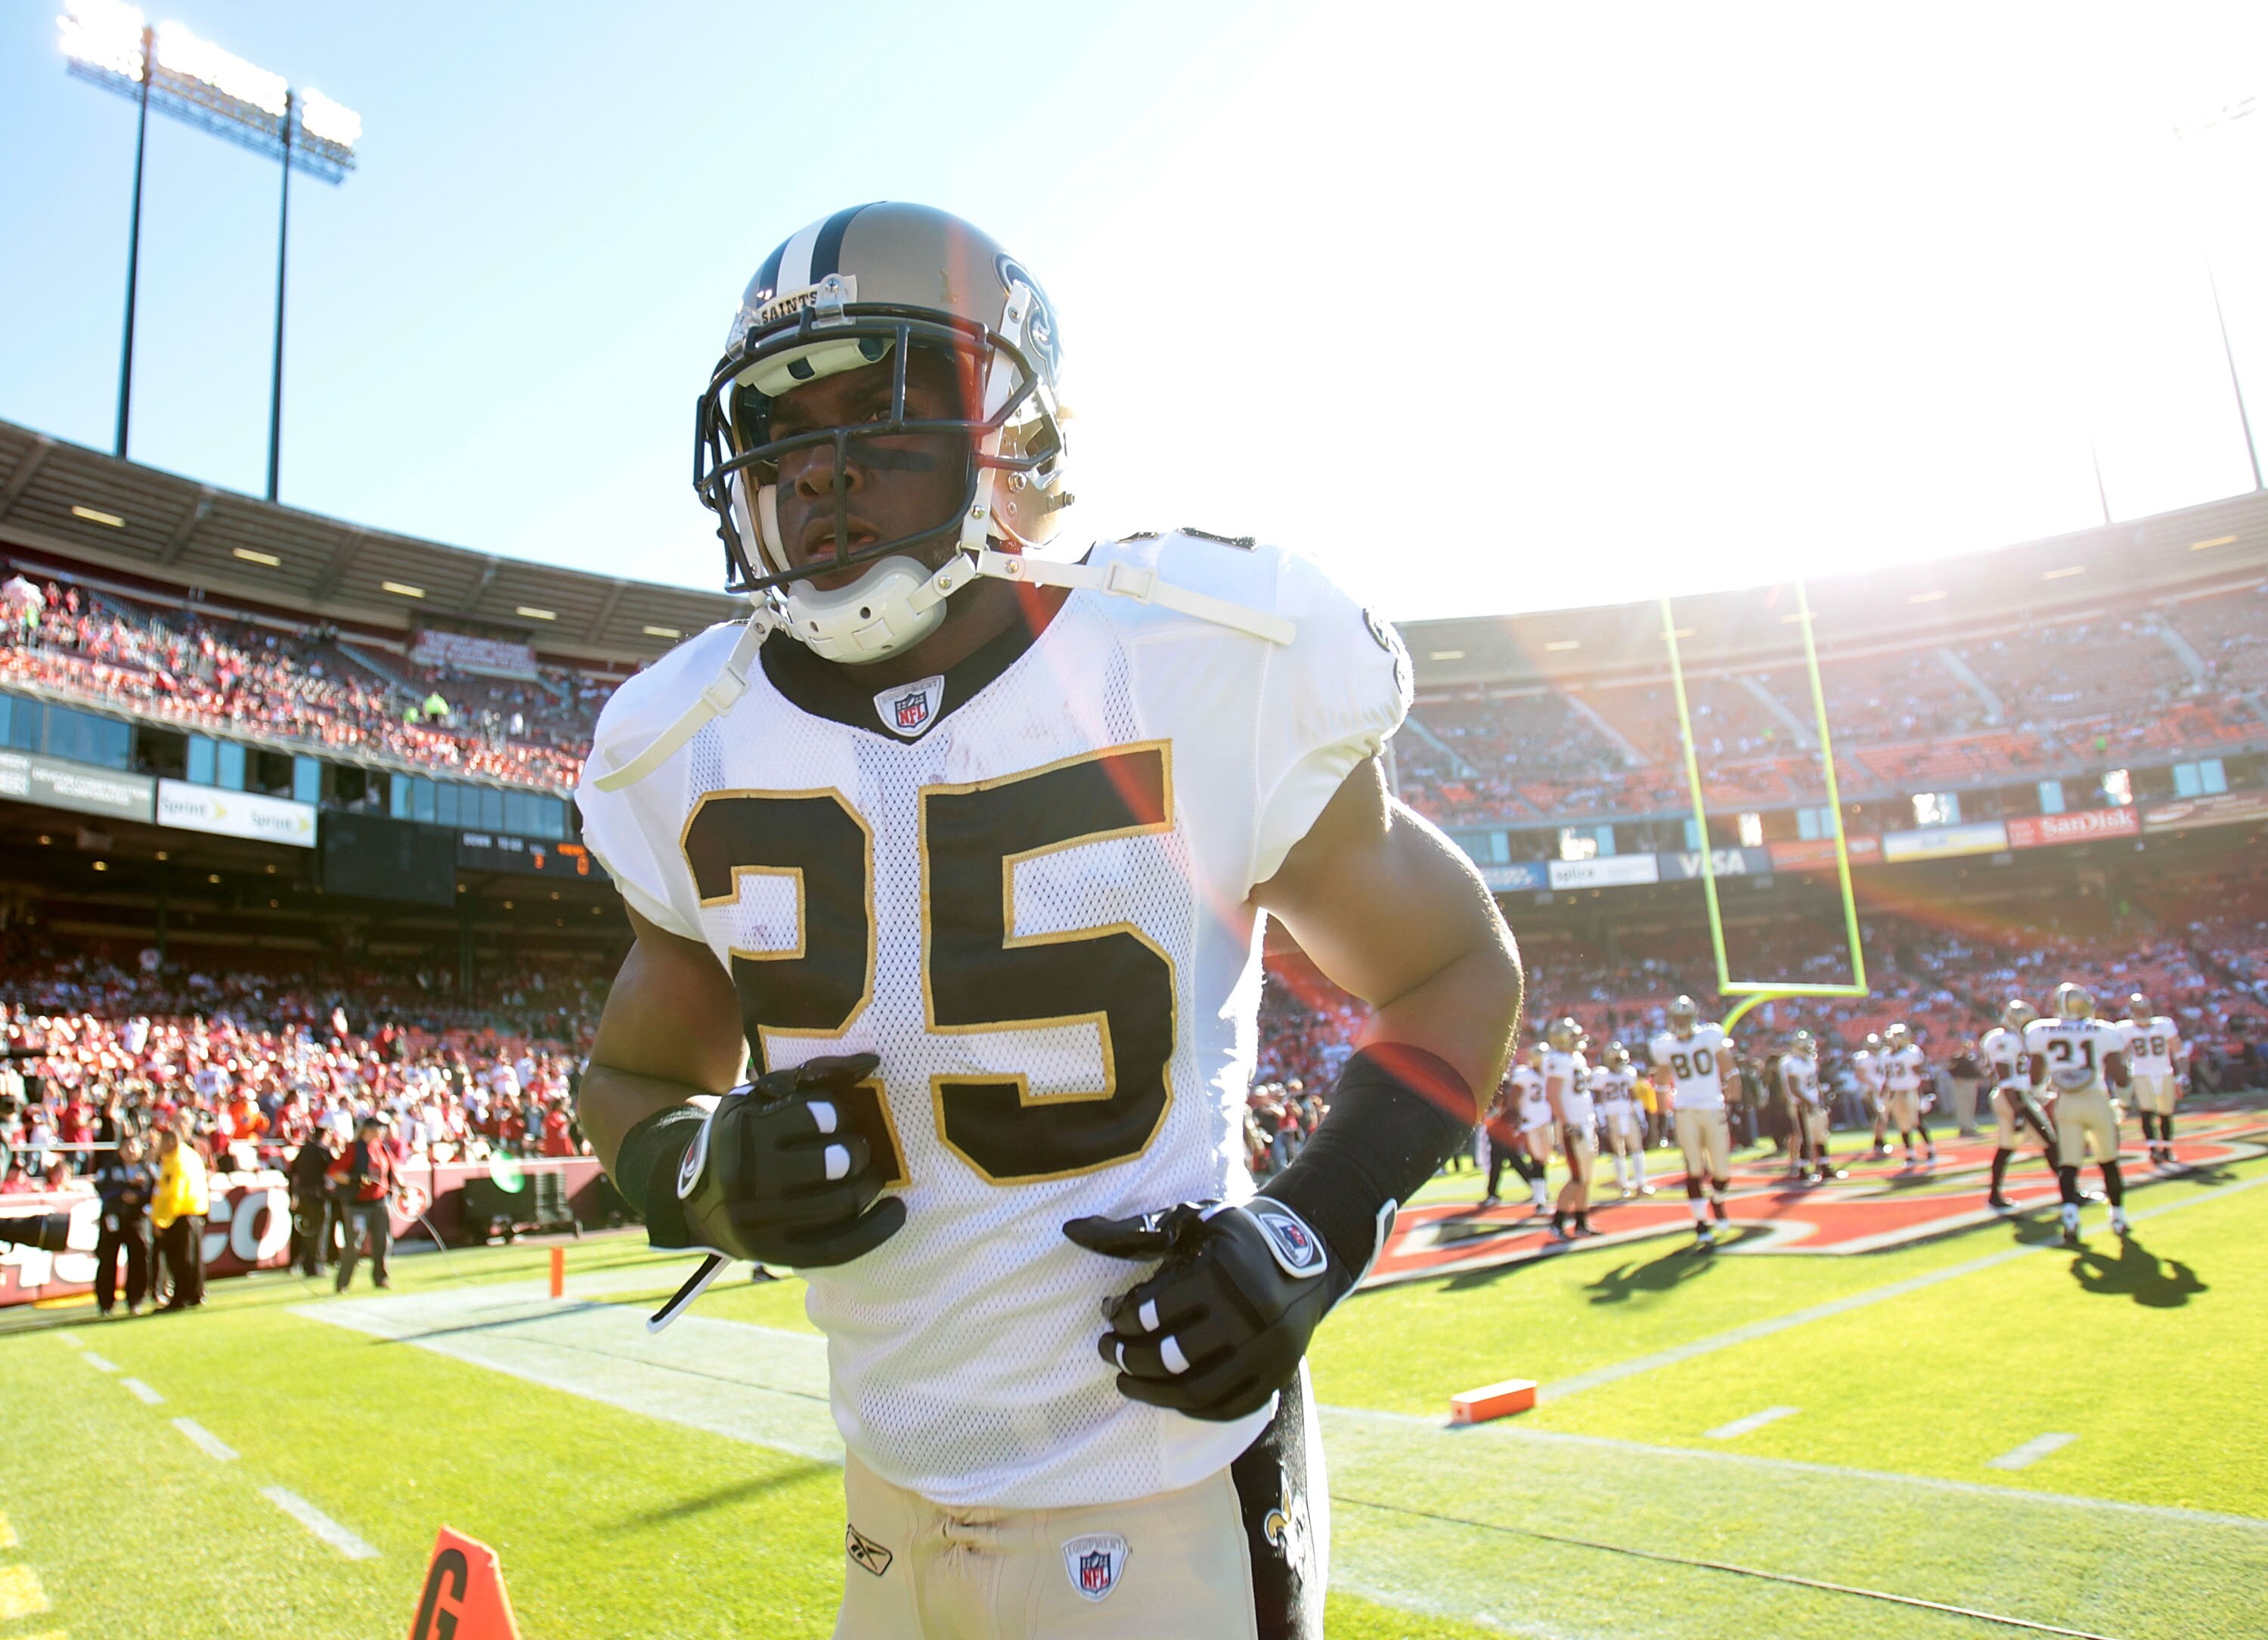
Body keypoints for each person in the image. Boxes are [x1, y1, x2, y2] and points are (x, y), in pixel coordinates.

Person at [572, 202, 1521, 1639]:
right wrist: (695, 1172)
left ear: (1016, 436)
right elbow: (631, 1080)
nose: (822, 468)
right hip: (889, 1489)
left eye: (883, 413)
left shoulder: (1202, 652)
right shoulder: (681, 735)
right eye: (784, 429)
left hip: (1168, 1478)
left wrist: (1313, 1229)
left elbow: (1454, 965)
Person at [2025, 984, 2131, 1246]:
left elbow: (2035, 1075)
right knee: (2108, 1161)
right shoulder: (2103, 1030)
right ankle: (2117, 1216)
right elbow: (2120, 1074)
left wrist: (2041, 1093)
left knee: (2069, 1165)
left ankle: (2071, 1218)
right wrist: (2124, 1101)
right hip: (2095, 1098)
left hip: (2066, 1102)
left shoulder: (2041, 1030)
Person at [1650, 995, 1735, 1249]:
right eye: (1678, 1018)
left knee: (1722, 1171)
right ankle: (1700, 1224)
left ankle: (1718, 1201)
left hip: (1712, 1107)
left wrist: (1733, 1092)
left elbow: (1728, 1067)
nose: (1682, 1022)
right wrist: (1663, 1111)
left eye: (1685, 1018)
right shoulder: (1664, 1045)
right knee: (1694, 1168)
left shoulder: (1710, 1036)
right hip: (1685, 1109)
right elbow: (1662, 1080)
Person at [1981, 999, 2056, 1212]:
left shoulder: (2010, 1038)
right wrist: (2018, 1110)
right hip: (2014, 1097)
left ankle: (1995, 1195)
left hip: (2015, 1096)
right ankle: (2069, 1191)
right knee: (2050, 1142)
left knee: (2007, 1148)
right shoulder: (2003, 1039)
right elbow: (2005, 1077)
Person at [2117, 993, 2186, 1170]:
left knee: (2166, 1112)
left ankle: (2167, 1149)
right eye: (2138, 1010)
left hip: (2164, 1072)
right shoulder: (2125, 1029)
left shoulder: (2164, 1024)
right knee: (2147, 1112)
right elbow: (2120, 1055)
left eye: (2144, 1009)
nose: (2142, 1013)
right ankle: (2153, 1148)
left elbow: (2178, 1050)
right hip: (2141, 1073)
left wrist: (2183, 1075)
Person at [330, 1115, 400, 1291]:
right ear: (369, 1130)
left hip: (379, 1201)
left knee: (383, 1242)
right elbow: (335, 1172)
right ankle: (343, 1283)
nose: (383, 1131)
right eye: (380, 1128)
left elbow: (393, 1170)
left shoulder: (382, 1147)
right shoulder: (354, 1149)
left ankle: (381, 1278)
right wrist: (354, 1180)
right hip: (358, 1205)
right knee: (354, 1245)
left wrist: (402, 1186)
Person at [1541, 1018, 1595, 1242]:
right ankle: (1557, 1223)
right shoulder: (1557, 1060)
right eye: (1572, 1036)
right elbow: (1553, 1094)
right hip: (1572, 1124)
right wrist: (1567, 1123)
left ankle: (1582, 1223)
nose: (1576, 1040)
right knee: (1577, 1176)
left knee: (1586, 1176)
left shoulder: (1575, 1058)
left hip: (1585, 1122)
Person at [92, 1132, 155, 1316]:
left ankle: (135, 1300)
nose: (131, 1150)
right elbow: (102, 1188)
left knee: (139, 1257)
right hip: (113, 1218)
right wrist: (124, 1191)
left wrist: (138, 1196)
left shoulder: (148, 1169)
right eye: (126, 1147)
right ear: (119, 1150)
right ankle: (106, 1304)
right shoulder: (110, 1168)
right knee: (108, 1259)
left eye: (134, 1146)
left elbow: (155, 1191)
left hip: (137, 1219)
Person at [150, 1124, 208, 1311]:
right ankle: (195, 1293)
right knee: (193, 1258)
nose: (159, 1147)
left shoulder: (178, 1161)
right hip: (192, 1213)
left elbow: (175, 1192)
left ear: (171, 1141)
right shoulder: (188, 1155)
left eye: (162, 1143)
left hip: (180, 1215)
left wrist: (162, 1221)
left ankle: (181, 1297)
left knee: (180, 1259)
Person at [1777, 1031, 1838, 1184]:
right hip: (1801, 1105)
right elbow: (1793, 1086)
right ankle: (1803, 1170)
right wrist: (1809, 1101)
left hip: (1813, 1103)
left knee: (1821, 1135)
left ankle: (1824, 1166)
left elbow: (1815, 1082)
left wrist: (1819, 1100)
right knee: (1805, 1137)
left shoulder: (1810, 1061)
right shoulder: (1790, 1062)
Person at [1591, 1041, 1650, 1197]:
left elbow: (1633, 1096)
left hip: (1628, 1113)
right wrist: (1602, 1121)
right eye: (1616, 1059)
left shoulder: (1628, 1072)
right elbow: (1597, 1100)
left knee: (1637, 1149)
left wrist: (1641, 1118)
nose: (1619, 1063)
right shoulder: (1601, 1075)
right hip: (1612, 1116)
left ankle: (1641, 1183)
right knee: (1618, 1151)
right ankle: (1624, 1185)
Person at [1878, 1023, 1935, 1167]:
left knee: (1916, 1121)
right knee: (1902, 1125)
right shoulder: (1885, 1055)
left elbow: (1919, 1073)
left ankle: (1930, 1150)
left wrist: (1924, 1093)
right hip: (1895, 1093)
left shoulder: (1911, 1052)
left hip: (1910, 1091)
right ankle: (1910, 1154)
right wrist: (1883, 1094)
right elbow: (1887, 1078)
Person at [288, 1126, 340, 1276]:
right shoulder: (323, 1151)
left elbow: (293, 1171)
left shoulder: (304, 1150)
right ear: (325, 1135)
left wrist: (294, 1194)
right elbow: (335, 1169)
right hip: (319, 1195)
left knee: (306, 1230)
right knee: (320, 1231)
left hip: (303, 1194)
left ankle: (304, 1264)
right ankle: (317, 1265)